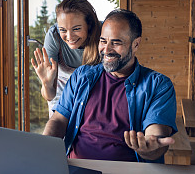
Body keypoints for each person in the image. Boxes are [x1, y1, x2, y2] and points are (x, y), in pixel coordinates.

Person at [42, 9, 177, 163]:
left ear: (136, 44)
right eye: (103, 41)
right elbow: (58, 120)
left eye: (116, 42)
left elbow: (155, 135)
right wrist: (43, 146)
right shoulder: (81, 76)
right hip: (75, 166)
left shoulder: (158, 85)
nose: (106, 50)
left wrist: (150, 148)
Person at [31, 0, 101, 117]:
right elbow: (50, 96)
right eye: (63, 29)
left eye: (76, 29)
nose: (69, 37)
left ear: (89, 25)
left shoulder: (103, 34)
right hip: (62, 94)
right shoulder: (54, 36)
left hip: (96, 93)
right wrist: (46, 84)